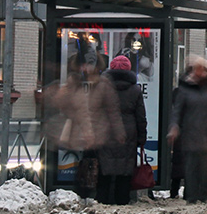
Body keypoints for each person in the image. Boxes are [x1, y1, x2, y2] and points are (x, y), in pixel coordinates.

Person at [54, 56, 124, 201]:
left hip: (97, 133)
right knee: (88, 166)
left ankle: (95, 196)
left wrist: (117, 131)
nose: (85, 68)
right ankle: (85, 195)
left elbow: (112, 110)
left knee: (95, 166)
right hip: (85, 132)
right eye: (83, 65)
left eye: (89, 65)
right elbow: (64, 103)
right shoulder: (75, 83)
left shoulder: (103, 84)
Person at [167, 56, 207, 204]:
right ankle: (192, 197)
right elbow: (177, 111)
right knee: (191, 168)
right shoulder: (184, 89)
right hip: (190, 134)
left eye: (201, 69)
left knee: (205, 168)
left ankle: (204, 195)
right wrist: (174, 127)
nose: (198, 72)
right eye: (196, 69)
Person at [98, 55, 147, 205]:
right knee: (125, 169)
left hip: (106, 131)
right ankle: (122, 200)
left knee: (105, 167)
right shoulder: (135, 90)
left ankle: (103, 200)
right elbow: (140, 117)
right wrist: (141, 138)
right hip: (127, 133)